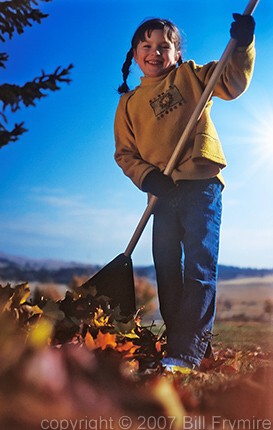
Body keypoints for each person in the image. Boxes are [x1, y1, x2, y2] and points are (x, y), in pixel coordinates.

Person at [114, 14, 255, 370]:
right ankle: (183, 347)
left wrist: (241, 45)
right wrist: (147, 178)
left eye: (165, 46)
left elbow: (233, 81)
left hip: (200, 185)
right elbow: (125, 154)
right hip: (160, 195)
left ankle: (186, 353)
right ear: (134, 54)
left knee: (198, 267)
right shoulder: (128, 104)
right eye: (146, 46)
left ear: (177, 53)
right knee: (166, 270)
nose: (155, 52)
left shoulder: (192, 76)